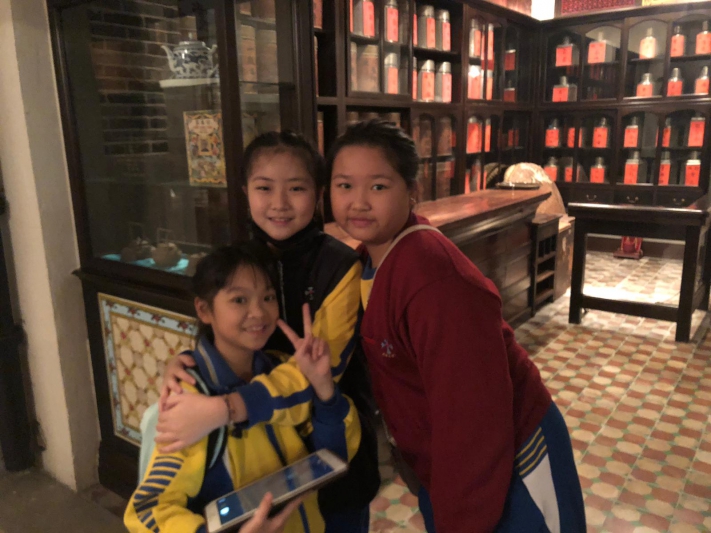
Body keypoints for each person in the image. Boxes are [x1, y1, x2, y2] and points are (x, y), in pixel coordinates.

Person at [327, 119, 586, 533]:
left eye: (377, 186)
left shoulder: (432, 277)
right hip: (450, 465)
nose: (358, 202)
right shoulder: (369, 261)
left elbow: (474, 419)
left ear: (411, 191)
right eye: (344, 185)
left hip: (514, 457)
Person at [156, 132, 379, 532]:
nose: (279, 203)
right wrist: (185, 361)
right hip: (265, 457)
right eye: (264, 188)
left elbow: (317, 369)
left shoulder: (341, 266)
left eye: (296, 188)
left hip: (332, 438)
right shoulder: (237, 259)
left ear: (318, 194)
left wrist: (228, 408)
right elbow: (217, 328)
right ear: (245, 192)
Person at [125, 243, 361, 533]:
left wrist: (325, 391)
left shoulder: (281, 370)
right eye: (239, 300)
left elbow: (333, 457)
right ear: (204, 309)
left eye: (268, 297)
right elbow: (148, 511)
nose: (259, 312)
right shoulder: (191, 400)